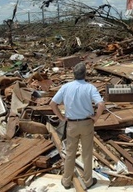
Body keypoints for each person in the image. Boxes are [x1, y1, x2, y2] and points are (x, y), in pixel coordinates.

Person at [50, 62, 106, 190]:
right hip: (86, 123)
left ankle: (66, 181)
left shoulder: (65, 87)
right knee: (86, 153)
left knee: (70, 153)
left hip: (71, 124)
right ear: (85, 74)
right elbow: (101, 104)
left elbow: (52, 104)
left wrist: (61, 117)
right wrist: (96, 117)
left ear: (73, 74)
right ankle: (87, 181)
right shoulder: (90, 87)